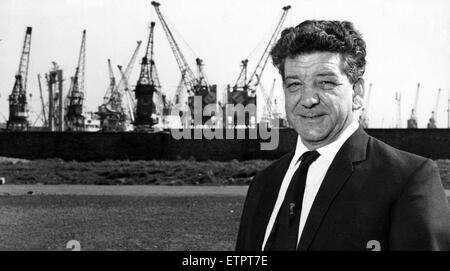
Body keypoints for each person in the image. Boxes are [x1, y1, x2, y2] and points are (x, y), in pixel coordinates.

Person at [236, 20, 450, 251]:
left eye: (326, 83)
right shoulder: (264, 182)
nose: (308, 99)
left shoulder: (407, 179)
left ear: (357, 93)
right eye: (295, 85)